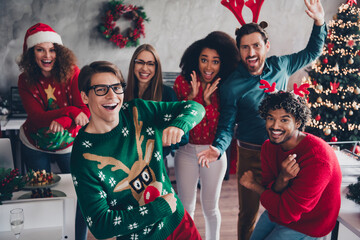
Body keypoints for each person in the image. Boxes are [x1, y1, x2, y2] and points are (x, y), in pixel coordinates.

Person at [197, 1, 327, 239]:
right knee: (248, 213)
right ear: (239, 51)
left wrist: (319, 22)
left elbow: (312, 52)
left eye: (256, 45)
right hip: (252, 154)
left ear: (267, 46)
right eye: (245, 48)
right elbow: (227, 125)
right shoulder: (231, 86)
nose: (251, 53)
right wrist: (218, 147)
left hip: (285, 152)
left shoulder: (282, 66)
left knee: (285, 207)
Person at [71, 61, 205, 239]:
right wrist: (157, 209)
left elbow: (195, 108)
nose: (112, 95)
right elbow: (100, 225)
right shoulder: (83, 156)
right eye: (101, 89)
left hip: (177, 223)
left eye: (117, 87)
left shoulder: (138, 111)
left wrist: (179, 125)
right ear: (85, 97)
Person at [17, 23, 90, 240]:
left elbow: (84, 112)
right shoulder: (25, 80)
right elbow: (37, 119)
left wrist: (65, 118)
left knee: (80, 196)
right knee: (42, 197)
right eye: (40, 49)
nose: (47, 55)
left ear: (59, 51)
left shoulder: (73, 72)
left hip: (69, 144)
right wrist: (69, 111)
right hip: (34, 144)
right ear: (31, 53)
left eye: (52, 49)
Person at [239, 91, 341, 240]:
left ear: (298, 123)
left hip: (310, 223)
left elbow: (287, 213)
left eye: (284, 120)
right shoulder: (269, 146)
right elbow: (270, 189)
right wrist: (283, 178)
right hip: (279, 210)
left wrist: (254, 185)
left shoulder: (318, 159)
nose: (275, 126)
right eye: (270, 118)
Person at [173, 31, 239, 240]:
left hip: (212, 152)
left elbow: (221, 126)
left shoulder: (225, 86)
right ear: (196, 59)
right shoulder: (182, 83)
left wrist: (209, 103)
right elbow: (179, 122)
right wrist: (191, 98)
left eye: (215, 61)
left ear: (223, 63)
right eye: (204, 60)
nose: (208, 67)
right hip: (186, 152)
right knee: (186, 207)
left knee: (211, 208)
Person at [125, 44, 182, 164]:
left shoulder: (167, 94)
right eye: (140, 62)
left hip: (157, 162)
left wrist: (160, 140)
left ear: (157, 67)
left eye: (150, 64)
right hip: (127, 162)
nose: (145, 68)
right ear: (133, 64)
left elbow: (183, 137)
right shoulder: (122, 95)